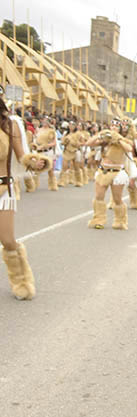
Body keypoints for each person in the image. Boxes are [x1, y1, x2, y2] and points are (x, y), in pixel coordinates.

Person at [1, 93, 47, 300]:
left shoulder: (10, 125)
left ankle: (21, 282)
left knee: (8, 240)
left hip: (2, 187)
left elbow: (21, 156)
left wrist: (35, 162)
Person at [85, 119, 135, 231]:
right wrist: (100, 134)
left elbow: (129, 148)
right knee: (99, 196)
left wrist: (118, 139)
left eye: (116, 126)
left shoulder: (123, 140)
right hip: (103, 170)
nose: (113, 127)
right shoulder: (105, 140)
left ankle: (120, 221)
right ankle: (99, 219)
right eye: (112, 125)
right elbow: (89, 143)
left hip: (116, 172)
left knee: (117, 199)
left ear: (120, 129)